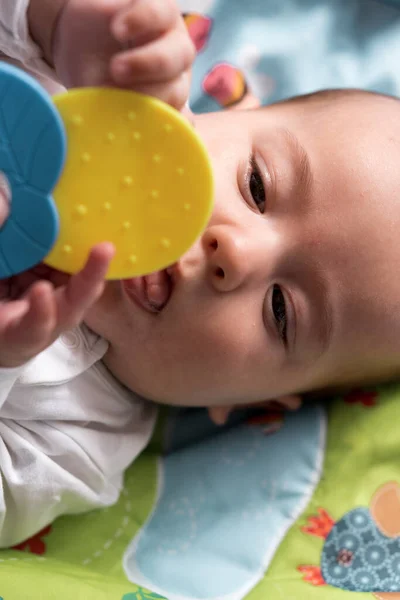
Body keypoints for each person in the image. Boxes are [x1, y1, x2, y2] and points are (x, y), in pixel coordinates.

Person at [1, 0, 400, 546]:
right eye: (256, 185)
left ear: (249, 401)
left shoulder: (77, 443)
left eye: (281, 310)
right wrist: (61, 23)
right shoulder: (90, 86)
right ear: (222, 117)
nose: (235, 252)